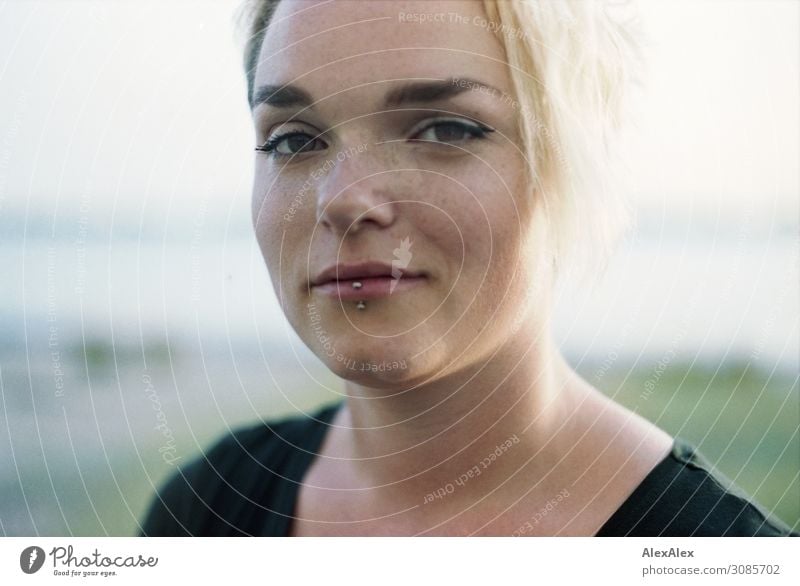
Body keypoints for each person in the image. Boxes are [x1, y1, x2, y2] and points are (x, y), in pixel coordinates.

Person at [140, 0, 797, 536]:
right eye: (293, 140)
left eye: (446, 129)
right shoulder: (202, 510)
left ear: (564, 161)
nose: (342, 199)